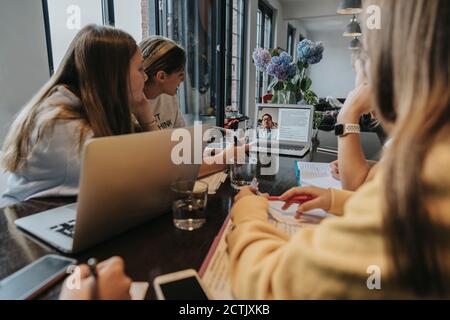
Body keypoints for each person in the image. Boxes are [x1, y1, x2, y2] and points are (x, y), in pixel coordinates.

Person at [227, 0, 450, 299]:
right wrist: (335, 199)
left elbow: (269, 285)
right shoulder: (431, 150)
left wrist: (247, 214)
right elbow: (376, 196)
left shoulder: (426, 176)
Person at [0, 25, 148, 206]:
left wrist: (143, 112)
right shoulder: (58, 124)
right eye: (140, 69)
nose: (145, 77)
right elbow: (140, 178)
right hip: (25, 223)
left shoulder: (88, 109)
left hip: (59, 213)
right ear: (113, 76)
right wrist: (146, 119)